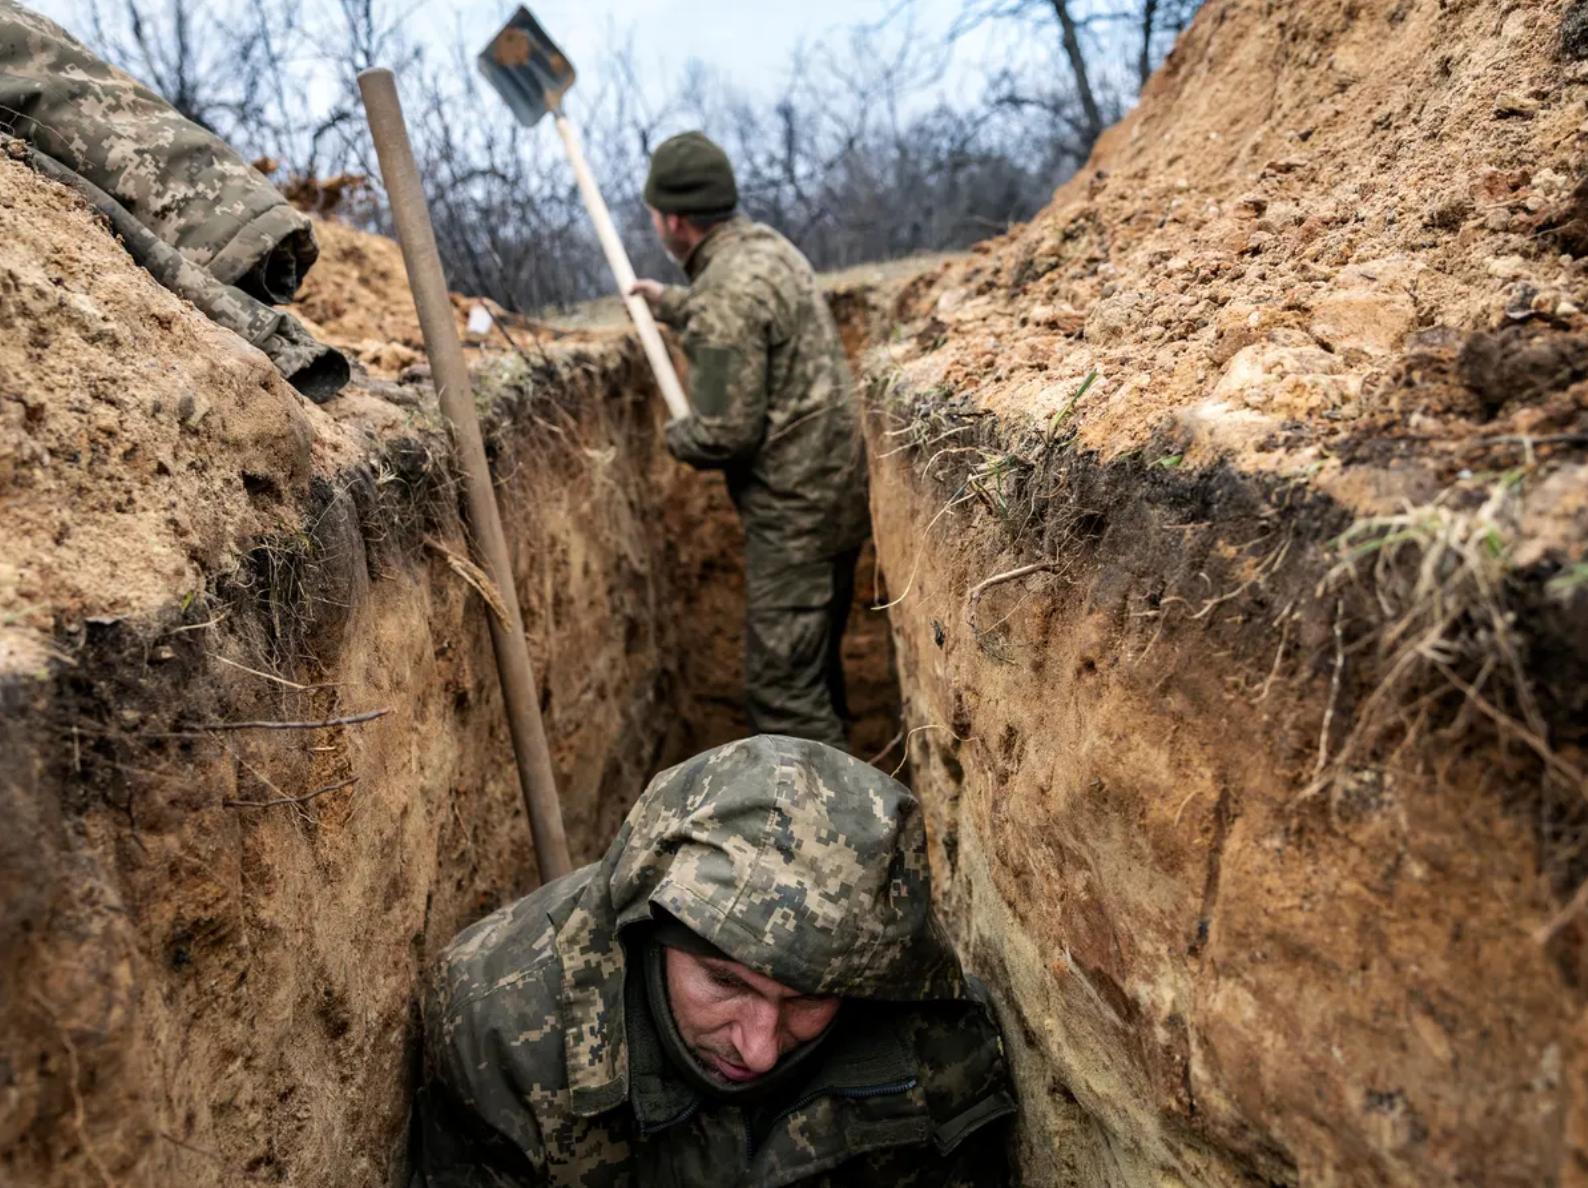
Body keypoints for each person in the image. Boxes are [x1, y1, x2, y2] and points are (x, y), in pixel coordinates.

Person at [410, 734, 1016, 1187]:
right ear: (650, 927)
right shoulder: (499, 1030)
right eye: (725, 982)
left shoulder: (940, 1043)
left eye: (806, 1001)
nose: (759, 1049)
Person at [629, 133, 869, 752]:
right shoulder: (768, 250)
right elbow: (746, 320)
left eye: (655, 214)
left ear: (675, 221)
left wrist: (672, 435)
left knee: (784, 695)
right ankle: (851, 781)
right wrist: (674, 305)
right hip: (837, 492)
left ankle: (831, 837)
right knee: (813, 663)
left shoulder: (726, 294)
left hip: (795, 516)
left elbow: (723, 433)